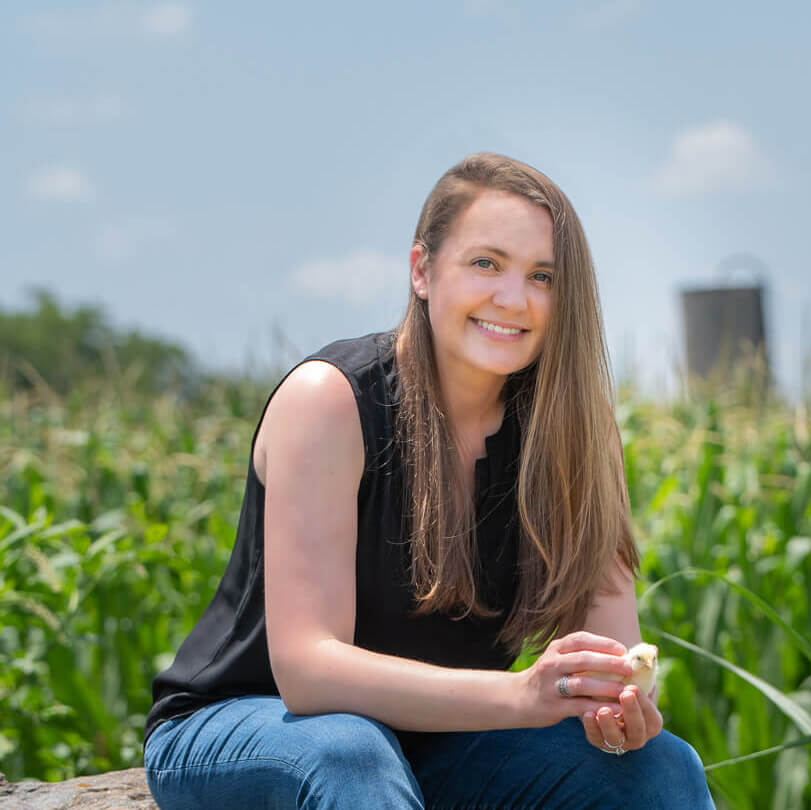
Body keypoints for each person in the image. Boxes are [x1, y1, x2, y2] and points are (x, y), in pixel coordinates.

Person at [142, 153, 713, 809]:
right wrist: (524, 694)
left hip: (440, 738)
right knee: (352, 753)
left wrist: (618, 708)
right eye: (486, 263)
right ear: (422, 270)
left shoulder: (577, 434)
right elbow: (306, 672)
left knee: (661, 766)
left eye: (543, 276)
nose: (513, 297)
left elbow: (613, 654)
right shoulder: (330, 401)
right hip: (249, 725)